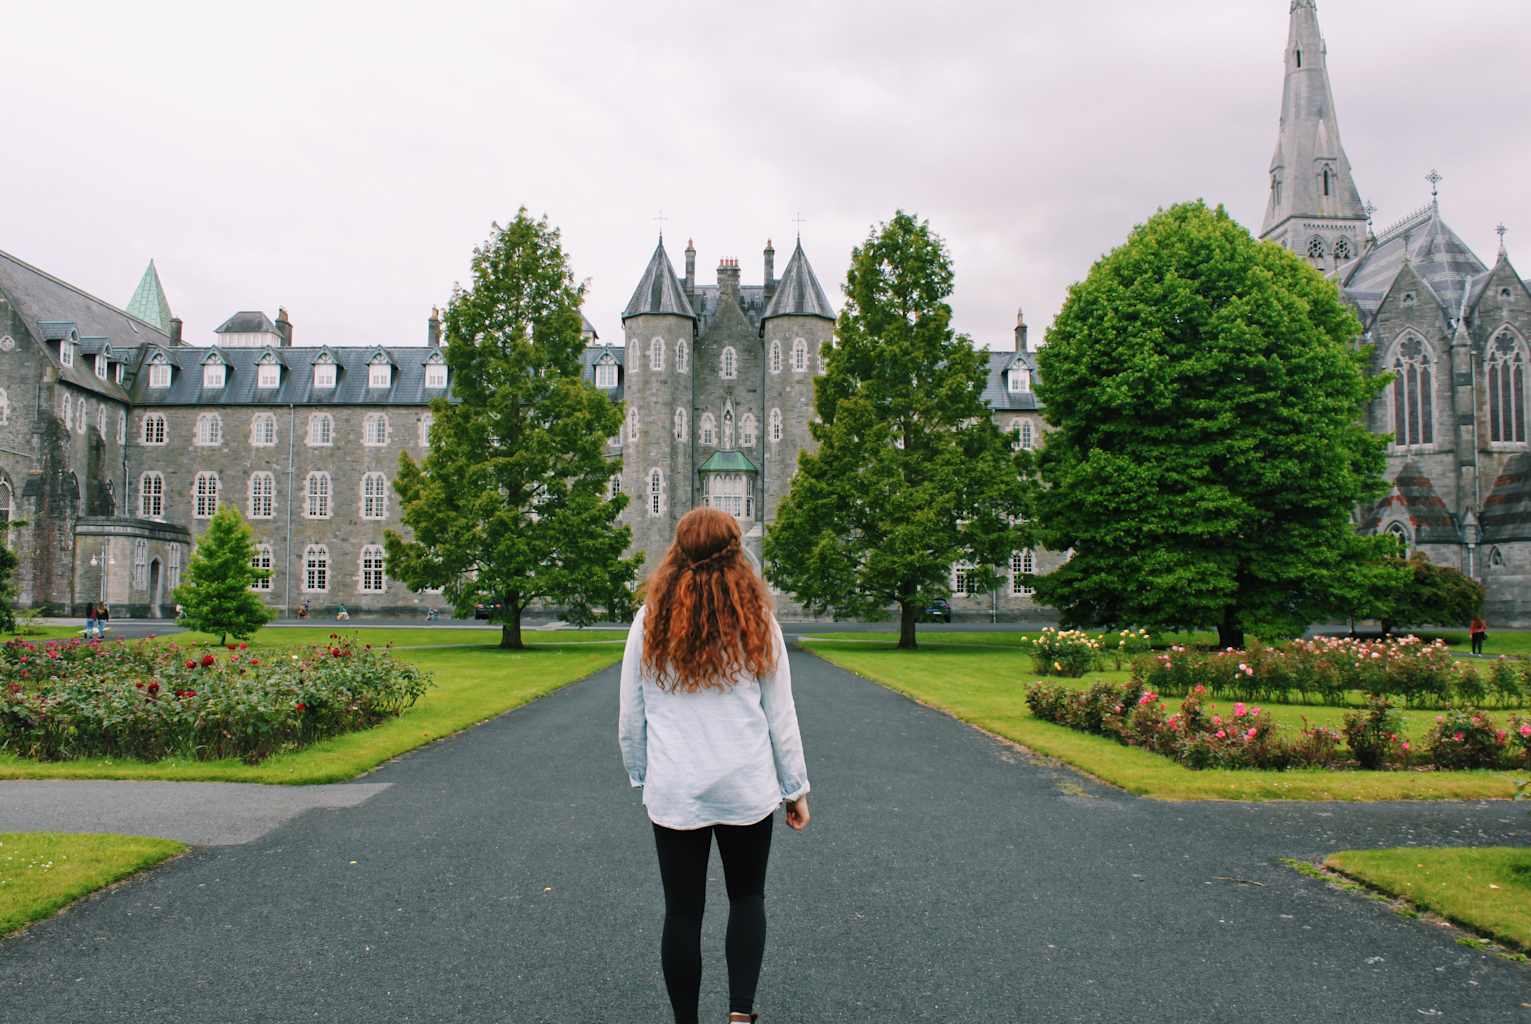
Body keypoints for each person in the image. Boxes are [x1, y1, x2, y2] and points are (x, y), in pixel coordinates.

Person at [618, 507, 810, 1024]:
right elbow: (780, 712)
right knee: (747, 898)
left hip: (677, 788)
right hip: (745, 786)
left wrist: (642, 776)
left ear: (678, 552)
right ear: (734, 553)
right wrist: (795, 789)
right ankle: (741, 1016)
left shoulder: (650, 619)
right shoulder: (757, 619)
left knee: (683, 911)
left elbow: (631, 710)